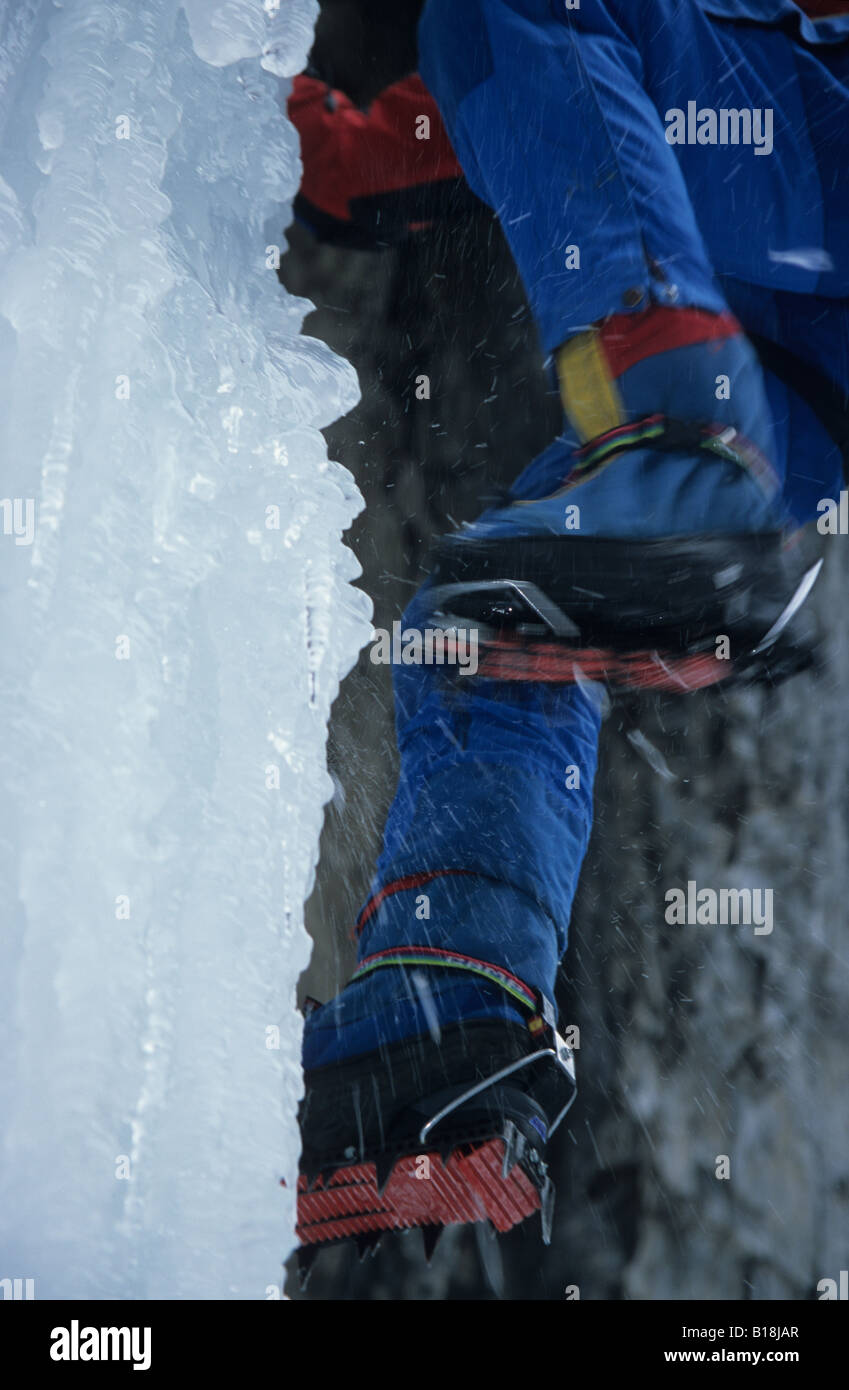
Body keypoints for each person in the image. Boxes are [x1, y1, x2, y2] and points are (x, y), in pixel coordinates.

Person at [291, 0, 849, 1273]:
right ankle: (444, 1043)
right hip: (799, 394)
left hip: (789, 246)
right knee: (491, 621)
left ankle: (678, 431)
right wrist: (336, 159)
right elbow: (531, 105)